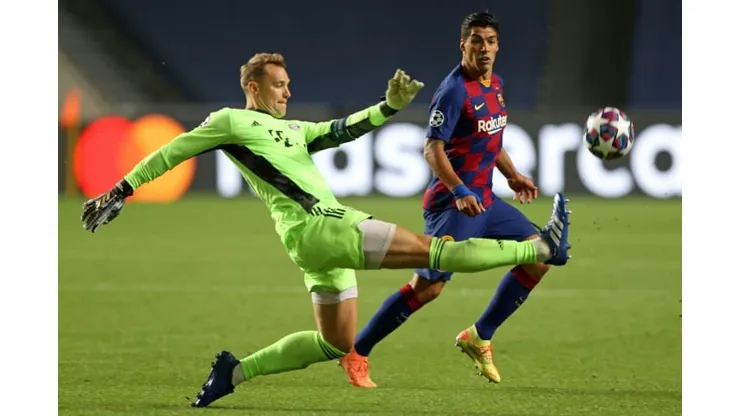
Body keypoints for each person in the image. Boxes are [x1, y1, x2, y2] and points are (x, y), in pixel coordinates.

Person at [80, 52, 571, 408]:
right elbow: (174, 150)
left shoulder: (293, 130)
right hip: (324, 226)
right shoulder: (230, 121)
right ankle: (539, 247)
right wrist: (122, 189)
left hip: (308, 244)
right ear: (253, 87)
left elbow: (342, 129)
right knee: (437, 253)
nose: (287, 92)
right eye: (278, 85)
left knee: (335, 341)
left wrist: (387, 106)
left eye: (288, 84)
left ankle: (234, 372)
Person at [339, 11, 566, 388]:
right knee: (428, 287)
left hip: (486, 202)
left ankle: (480, 335)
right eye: (477, 41)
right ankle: (358, 351)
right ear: (463, 45)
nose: (484, 48)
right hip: (452, 206)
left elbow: (490, 140)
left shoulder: (495, 84)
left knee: (540, 256)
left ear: (498, 46)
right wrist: (459, 190)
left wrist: (512, 174)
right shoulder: (454, 90)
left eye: (491, 41)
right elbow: (432, 149)